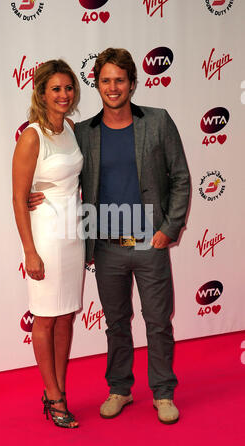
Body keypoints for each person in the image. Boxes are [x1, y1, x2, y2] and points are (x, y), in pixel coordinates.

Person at [28, 48, 190, 425]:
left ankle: (163, 392)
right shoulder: (82, 132)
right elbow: (56, 167)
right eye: (105, 80)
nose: (113, 87)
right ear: (96, 85)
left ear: (132, 83)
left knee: (158, 321)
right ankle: (120, 388)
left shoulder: (159, 122)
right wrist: (35, 192)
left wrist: (170, 227)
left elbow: (180, 179)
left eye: (120, 80)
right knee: (116, 322)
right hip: (106, 246)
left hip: (151, 242)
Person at [12, 59, 84, 429]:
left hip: (73, 234)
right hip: (45, 236)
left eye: (68, 88)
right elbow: (18, 197)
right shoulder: (31, 135)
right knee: (45, 317)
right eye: (55, 88)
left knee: (66, 314)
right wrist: (29, 251)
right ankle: (52, 395)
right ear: (41, 92)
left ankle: (60, 388)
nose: (63, 95)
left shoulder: (71, 127)